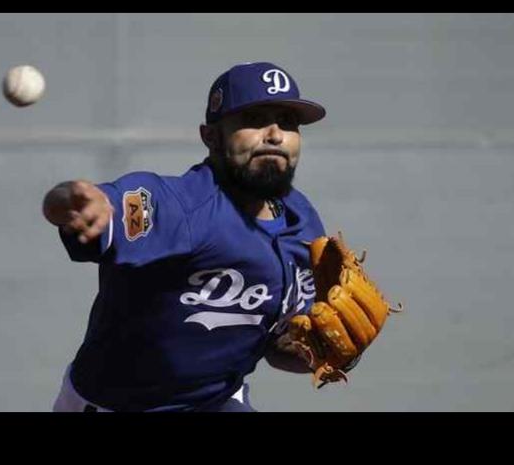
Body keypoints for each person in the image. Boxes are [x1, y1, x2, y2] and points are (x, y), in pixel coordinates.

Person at [43, 62, 329, 412]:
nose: (274, 134)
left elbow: (280, 352)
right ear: (211, 136)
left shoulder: (303, 223)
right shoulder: (180, 206)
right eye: (254, 119)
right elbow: (92, 203)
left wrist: (324, 348)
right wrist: (73, 200)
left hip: (217, 402)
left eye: (287, 122)